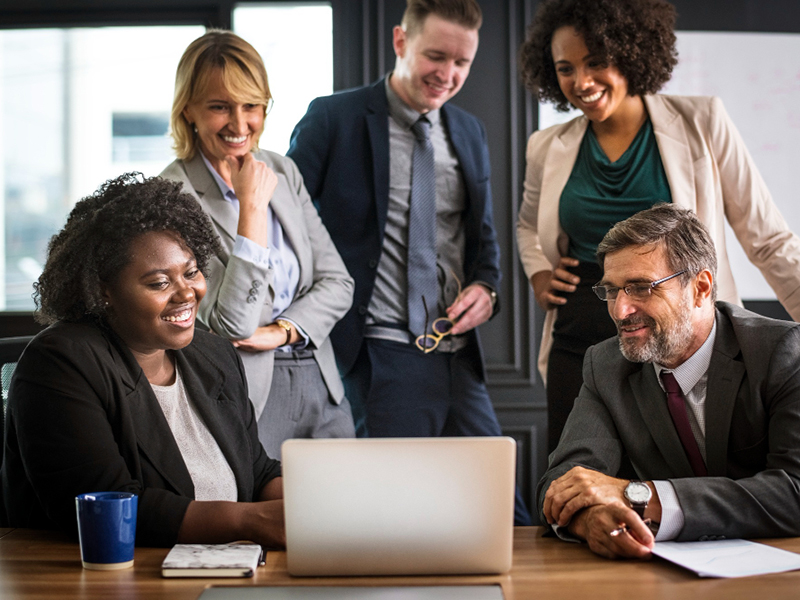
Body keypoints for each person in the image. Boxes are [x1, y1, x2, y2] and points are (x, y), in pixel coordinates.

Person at [515, 0, 800, 453]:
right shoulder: (547, 145)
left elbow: (767, 238)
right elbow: (528, 226)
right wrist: (537, 271)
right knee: (577, 478)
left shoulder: (701, 121)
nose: (581, 82)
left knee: (679, 483)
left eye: (596, 62)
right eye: (565, 68)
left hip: (678, 330)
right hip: (581, 331)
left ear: (631, 51)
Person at [288, 0, 531, 525]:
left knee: (505, 515)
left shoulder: (468, 131)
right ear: (401, 42)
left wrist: (488, 290)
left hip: (458, 358)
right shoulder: (332, 119)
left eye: (462, 63)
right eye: (435, 56)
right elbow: (285, 229)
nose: (447, 75)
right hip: (376, 356)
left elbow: (482, 238)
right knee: (393, 519)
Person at [0, 174, 285, 548]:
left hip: (219, 567)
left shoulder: (212, 354)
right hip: (101, 577)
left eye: (191, 271)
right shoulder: (60, 363)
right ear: (104, 291)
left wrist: (314, 499)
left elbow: (257, 471)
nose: (186, 292)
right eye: (158, 283)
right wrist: (252, 521)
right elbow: (105, 502)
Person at [538, 203, 800, 559]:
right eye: (612, 290)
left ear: (701, 288)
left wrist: (641, 496)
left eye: (641, 287)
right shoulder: (606, 365)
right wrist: (592, 518)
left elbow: (794, 491)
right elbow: (565, 481)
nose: (620, 311)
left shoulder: (782, 352)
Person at [161, 31, 355, 459]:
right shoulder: (171, 194)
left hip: (320, 380)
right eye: (219, 106)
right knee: (264, 522)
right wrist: (251, 208)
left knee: (345, 519)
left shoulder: (282, 171)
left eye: (251, 106)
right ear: (188, 110)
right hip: (245, 390)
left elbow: (338, 283)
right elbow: (231, 324)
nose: (239, 123)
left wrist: (281, 331)